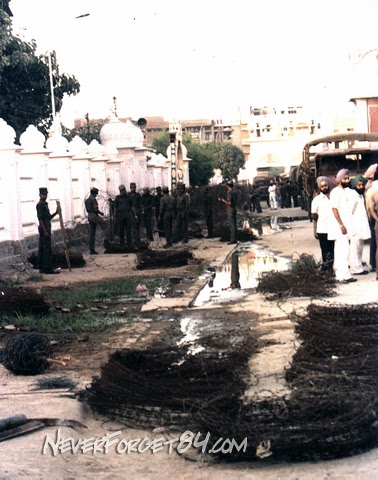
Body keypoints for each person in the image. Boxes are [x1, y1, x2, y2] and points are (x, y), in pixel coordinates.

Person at [328, 169, 358, 283]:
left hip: (347, 225)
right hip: (340, 227)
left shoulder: (347, 191)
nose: (347, 180)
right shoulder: (335, 192)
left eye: (348, 178)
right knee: (342, 251)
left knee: (345, 250)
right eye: (345, 178)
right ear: (340, 180)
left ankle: (344, 275)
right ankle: (341, 276)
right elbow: (334, 209)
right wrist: (341, 225)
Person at [311, 176, 334, 272]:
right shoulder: (317, 200)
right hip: (322, 229)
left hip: (333, 228)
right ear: (319, 187)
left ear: (328, 185)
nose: (324, 188)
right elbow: (314, 215)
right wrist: (322, 219)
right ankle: (325, 267)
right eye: (322, 186)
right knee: (325, 250)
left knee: (332, 249)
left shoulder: (334, 197)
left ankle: (332, 266)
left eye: (325, 186)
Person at [349, 175, 370, 275]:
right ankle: (355, 269)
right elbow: (350, 212)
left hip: (361, 225)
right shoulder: (353, 196)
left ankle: (359, 266)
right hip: (355, 226)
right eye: (359, 185)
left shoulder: (360, 195)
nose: (361, 187)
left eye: (362, 185)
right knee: (355, 248)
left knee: (360, 247)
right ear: (354, 186)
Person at [36, 187, 59, 274]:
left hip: (46, 227)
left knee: (42, 248)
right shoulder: (40, 205)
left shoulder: (45, 204)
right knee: (47, 249)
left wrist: (56, 213)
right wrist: (45, 231)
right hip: (44, 228)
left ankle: (42, 268)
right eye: (43, 194)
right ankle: (48, 268)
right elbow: (40, 219)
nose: (45, 196)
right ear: (40, 195)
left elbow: (48, 217)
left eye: (46, 194)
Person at [85, 187, 109, 255]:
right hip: (94, 215)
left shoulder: (87, 200)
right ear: (94, 193)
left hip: (89, 216)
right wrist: (101, 213)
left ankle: (91, 249)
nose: (96, 195)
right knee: (106, 224)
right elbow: (96, 209)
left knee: (92, 234)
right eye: (96, 193)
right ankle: (106, 241)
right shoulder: (93, 199)